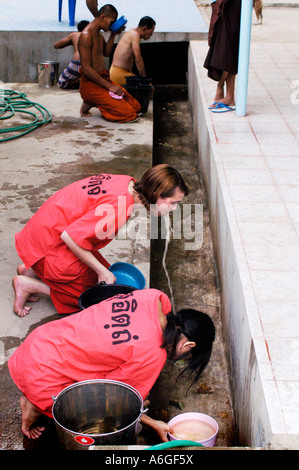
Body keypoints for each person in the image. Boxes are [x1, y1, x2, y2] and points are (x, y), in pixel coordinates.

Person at [8, 288, 215, 441]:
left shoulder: (152, 298)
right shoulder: (153, 354)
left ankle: (34, 396)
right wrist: (153, 423)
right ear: (188, 345)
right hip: (42, 373)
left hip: (41, 340)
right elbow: (112, 396)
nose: (180, 360)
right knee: (91, 410)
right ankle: (33, 404)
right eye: (186, 357)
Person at [12, 164, 189, 317]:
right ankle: (28, 284)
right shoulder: (119, 208)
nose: (173, 208)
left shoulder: (126, 182)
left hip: (39, 232)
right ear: (156, 193)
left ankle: (31, 269)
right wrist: (102, 272)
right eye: (173, 202)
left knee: (102, 274)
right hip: (50, 244)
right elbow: (70, 237)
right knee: (91, 295)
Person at [78, 4, 141, 122]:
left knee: (135, 106)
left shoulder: (98, 33)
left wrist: (113, 34)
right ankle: (92, 100)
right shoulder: (86, 35)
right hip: (90, 84)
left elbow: (106, 53)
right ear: (102, 17)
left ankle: (94, 101)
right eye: (111, 22)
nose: (111, 25)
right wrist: (109, 86)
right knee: (128, 114)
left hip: (102, 80)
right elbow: (86, 68)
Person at [203, 0, 241, 112]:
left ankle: (226, 94)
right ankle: (227, 94)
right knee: (223, 45)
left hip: (233, 6)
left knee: (228, 47)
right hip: (224, 5)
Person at [109, 16, 156, 86]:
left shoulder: (132, 31)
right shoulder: (135, 35)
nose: (151, 35)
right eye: (151, 32)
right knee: (148, 88)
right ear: (144, 29)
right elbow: (138, 59)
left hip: (119, 71)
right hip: (119, 73)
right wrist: (145, 80)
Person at [54, 20, 89, 89]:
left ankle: (78, 81)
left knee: (61, 82)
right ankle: (82, 80)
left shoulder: (74, 35)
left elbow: (56, 45)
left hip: (77, 62)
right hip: (90, 64)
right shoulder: (94, 35)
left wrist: (71, 42)